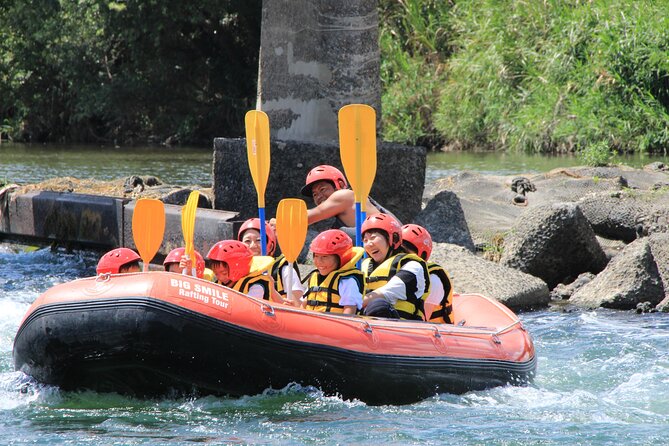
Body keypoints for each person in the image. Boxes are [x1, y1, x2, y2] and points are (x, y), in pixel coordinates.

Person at [360, 214, 430, 320]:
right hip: (365, 326)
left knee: (378, 306)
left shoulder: (413, 266)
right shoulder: (364, 266)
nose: (369, 244)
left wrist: (354, 303)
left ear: (394, 239)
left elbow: (388, 292)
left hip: (402, 329)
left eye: (373, 238)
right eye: (365, 240)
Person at [300, 165, 391, 233]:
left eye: (322, 189)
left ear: (340, 185)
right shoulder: (338, 221)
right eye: (315, 194)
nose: (319, 196)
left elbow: (305, 217)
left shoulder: (345, 196)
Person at [237, 218, 304, 303]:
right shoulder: (234, 269)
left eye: (259, 240)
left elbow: (297, 306)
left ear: (270, 244)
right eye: (247, 241)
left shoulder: (284, 269)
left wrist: (272, 290)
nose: (252, 246)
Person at [302, 229, 364, 314]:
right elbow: (304, 304)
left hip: (334, 325)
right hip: (312, 323)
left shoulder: (347, 282)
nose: (319, 261)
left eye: (324, 257)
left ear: (341, 258)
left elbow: (350, 310)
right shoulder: (314, 277)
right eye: (316, 256)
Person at [401, 224, 454, 324]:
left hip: (436, 334)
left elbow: (423, 321)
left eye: (405, 252)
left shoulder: (433, 280)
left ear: (422, 255)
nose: (401, 257)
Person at [206, 240, 274, 300]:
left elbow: (248, 308)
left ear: (238, 269)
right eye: (216, 274)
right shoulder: (217, 284)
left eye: (224, 273)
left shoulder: (256, 286)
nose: (220, 278)